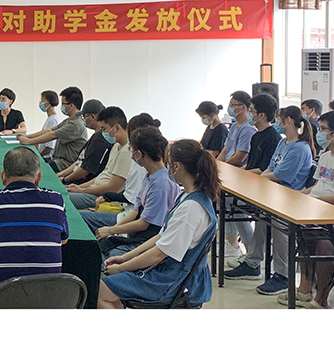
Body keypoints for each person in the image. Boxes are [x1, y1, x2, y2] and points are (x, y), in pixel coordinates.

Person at [98, 139, 219, 309]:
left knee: (100, 291)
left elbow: (159, 254)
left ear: (176, 167)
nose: (166, 169)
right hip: (170, 272)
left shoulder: (191, 209)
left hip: (173, 280)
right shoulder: (187, 196)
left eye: (168, 164)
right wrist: (125, 258)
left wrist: (122, 268)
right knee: (109, 288)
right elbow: (161, 236)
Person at [224, 105, 314, 295]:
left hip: (291, 197)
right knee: (261, 221)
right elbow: (270, 167)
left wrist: (258, 179)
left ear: (288, 120)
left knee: (279, 226)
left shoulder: (300, 148)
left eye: (280, 119)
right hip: (275, 192)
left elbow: (281, 175)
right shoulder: (283, 143)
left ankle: (284, 276)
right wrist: (260, 178)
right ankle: (252, 262)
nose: (277, 122)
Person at [0, 147, 69, 305]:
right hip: (47, 303)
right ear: (38, 178)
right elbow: (63, 240)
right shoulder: (56, 201)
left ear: (3, 177)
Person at [80, 127, 180, 268]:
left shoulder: (161, 184)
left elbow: (143, 224)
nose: (131, 153)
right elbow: (135, 210)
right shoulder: (149, 176)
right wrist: (113, 230)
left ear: (138, 153)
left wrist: (111, 230)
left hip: (147, 240)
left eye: (131, 149)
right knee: (99, 249)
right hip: (138, 234)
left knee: (105, 260)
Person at [277, 110, 334, 308]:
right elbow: (316, 187)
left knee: (323, 245)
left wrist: (315, 201)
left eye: (323, 129)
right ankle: (305, 289)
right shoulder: (325, 155)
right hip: (316, 211)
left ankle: (321, 298)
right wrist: (299, 194)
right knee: (301, 234)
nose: (319, 133)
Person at [217, 91, 258, 256]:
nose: (230, 108)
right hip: (228, 174)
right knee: (225, 207)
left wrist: (223, 167)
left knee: (238, 211)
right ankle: (232, 244)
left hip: (240, 176)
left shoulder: (248, 129)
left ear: (243, 107)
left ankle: (250, 253)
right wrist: (216, 165)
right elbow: (225, 150)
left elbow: (240, 156)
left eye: (233, 105)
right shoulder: (234, 126)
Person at [66, 107, 132, 209]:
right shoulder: (116, 146)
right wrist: (79, 187)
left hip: (101, 196)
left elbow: (112, 188)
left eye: (104, 129)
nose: (102, 133)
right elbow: (102, 175)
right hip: (93, 190)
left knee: (62, 198)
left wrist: (82, 190)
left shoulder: (127, 152)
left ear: (117, 128)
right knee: (62, 191)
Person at [18, 86, 87, 172]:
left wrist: (29, 141)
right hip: (57, 161)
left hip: (64, 164)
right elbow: (49, 131)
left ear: (72, 105)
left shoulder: (75, 124)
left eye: (63, 104)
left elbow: (52, 135)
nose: (62, 106)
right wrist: (27, 137)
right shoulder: (69, 120)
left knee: (31, 170)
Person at [55, 99, 111, 186]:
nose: (83, 120)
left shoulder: (99, 140)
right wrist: (63, 174)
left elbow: (85, 170)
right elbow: (80, 162)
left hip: (82, 183)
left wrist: (65, 179)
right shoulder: (95, 136)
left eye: (84, 117)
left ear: (92, 117)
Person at [36, 90, 61, 160]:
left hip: (47, 157)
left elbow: (50, 146)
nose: (40, 103)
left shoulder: (53, 120)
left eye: (42, 101)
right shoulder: (50, 118)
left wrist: (39, 156)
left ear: (49, 103)